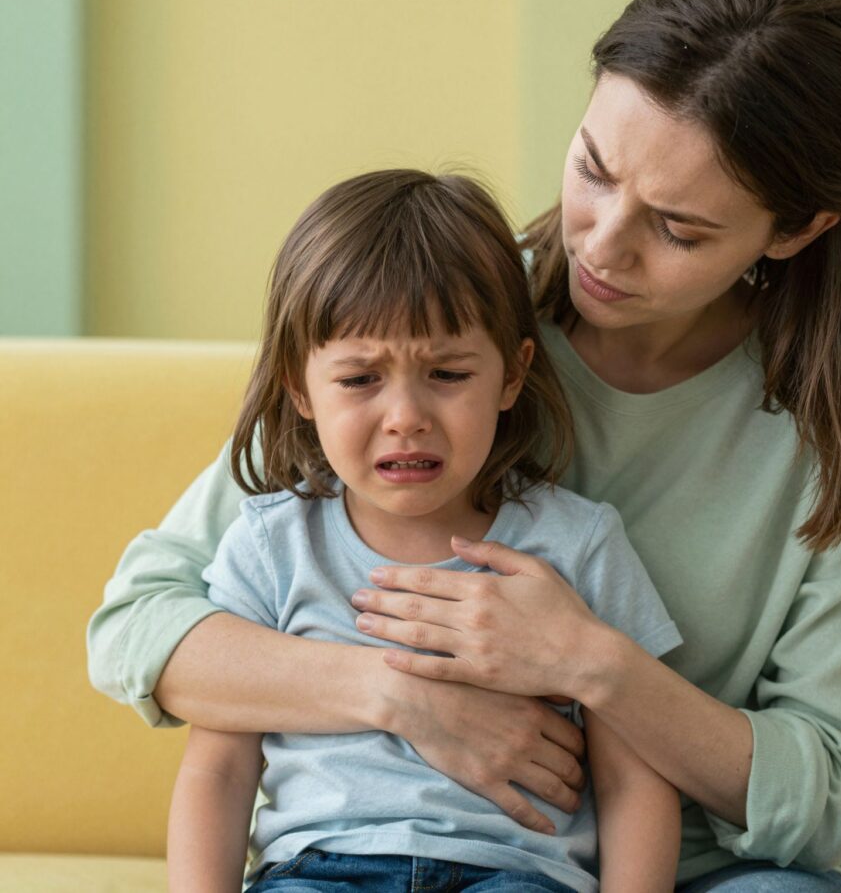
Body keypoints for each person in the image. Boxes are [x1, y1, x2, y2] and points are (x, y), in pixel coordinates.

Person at [89, 0, 841, 890]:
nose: (602, 248)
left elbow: (831, 794)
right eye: (594, 171)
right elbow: (137, 628)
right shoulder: (446, 328)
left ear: (796, 230)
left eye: (678, 228)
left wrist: (595, 665)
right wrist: (404, 699)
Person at [164, 169, 683, 893]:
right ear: (297, 387)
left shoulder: (579, 544)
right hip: (319, 874)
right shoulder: (269, 547)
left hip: (513, 875)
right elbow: (217, 770)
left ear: (510, 376)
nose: (405, 415)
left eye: (445, 373)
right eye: (359, 379)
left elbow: (634, 782)